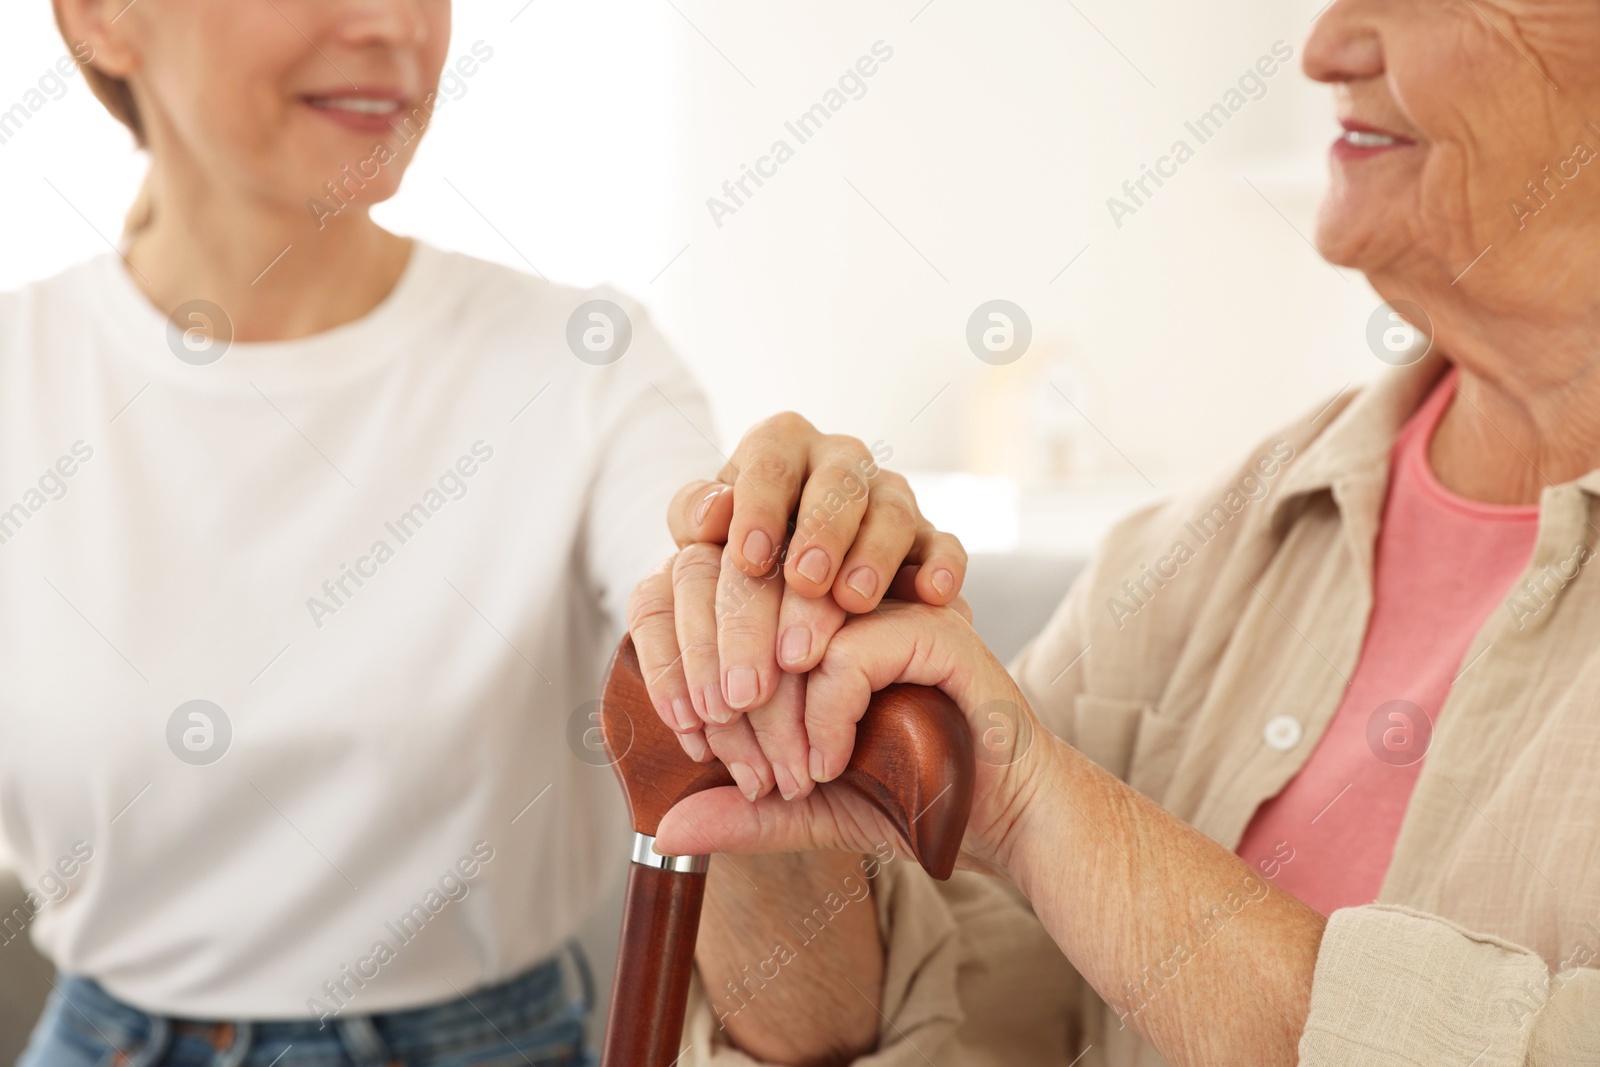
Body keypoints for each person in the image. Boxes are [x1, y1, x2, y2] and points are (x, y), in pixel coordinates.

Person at [630, 0, 1600, 1063]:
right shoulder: (1181, 557)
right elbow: (952, 1015)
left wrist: (1042, 804)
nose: (1323, 48)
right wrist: (772, 723)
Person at [0, 2, 967, 1065]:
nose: (392, 23)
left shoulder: (583, 366)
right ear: (103, 19)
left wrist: (769, 587)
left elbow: (691, 595)